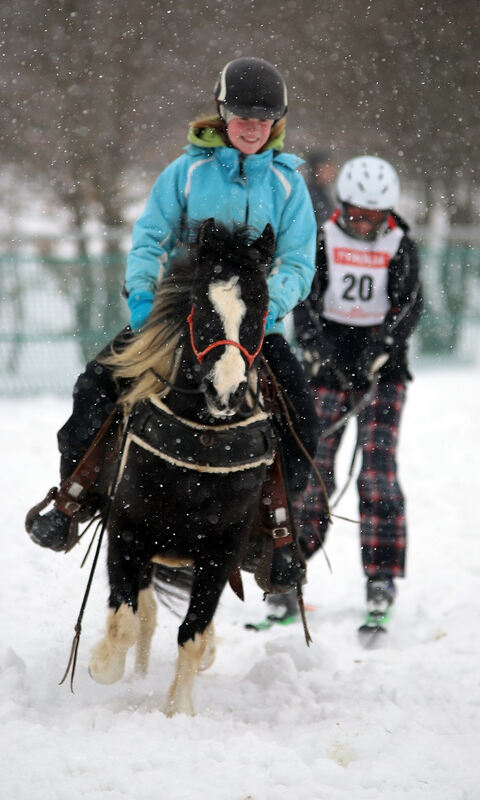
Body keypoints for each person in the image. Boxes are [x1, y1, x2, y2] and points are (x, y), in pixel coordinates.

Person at [27, 57, 319, 591]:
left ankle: (273, 532)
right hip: (175, 320)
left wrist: (261, 310)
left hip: (255, 331)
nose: (251, 128)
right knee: (96, 385)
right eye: (241, 116)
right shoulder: (184, 173)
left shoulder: (288, 186)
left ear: (276, 122)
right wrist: (143, 301)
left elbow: (299, 262)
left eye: (263, 119)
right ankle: (74, 497)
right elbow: (150, 238)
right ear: (221, 113)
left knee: (302, 419)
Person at [270, 155, 422, 623]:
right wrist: (315, 348)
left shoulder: (401, 244)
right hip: (327, 371)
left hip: (381, 373)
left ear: (387, 214)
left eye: (373, 217)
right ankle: (289, 572)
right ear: (343, 207)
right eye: (356, 214)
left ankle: (381, 579)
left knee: (377, 474)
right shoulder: (322, 239)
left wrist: (384, 348)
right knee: (313, 472)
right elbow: (305, 300)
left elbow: (409, 305)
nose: (363, 224)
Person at [305, 149, 337, 230]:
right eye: (327, 167)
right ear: (316, 169)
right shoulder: (310, 195)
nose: (331, 171)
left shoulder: (325, 193)